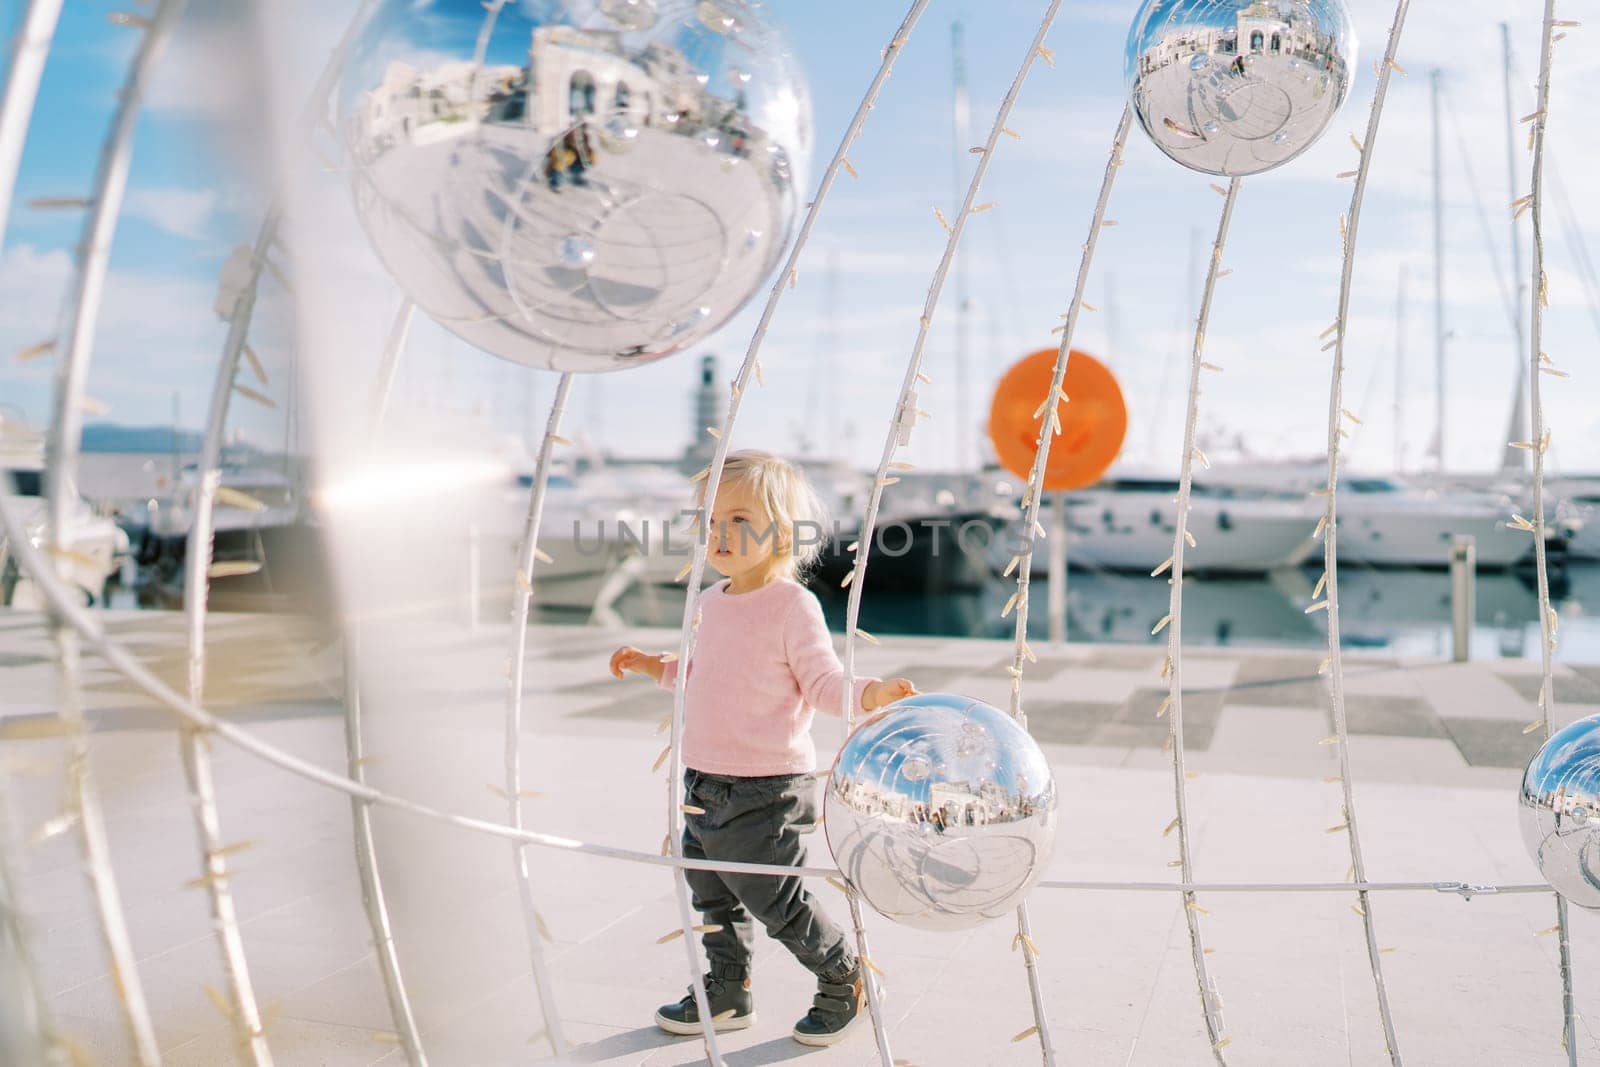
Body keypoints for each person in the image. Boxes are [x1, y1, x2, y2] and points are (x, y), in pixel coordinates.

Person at [610, 449, 917, 1047]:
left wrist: (871, 692)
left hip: (766, 786)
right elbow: (703, 671)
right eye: (711, 521)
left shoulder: (791, 606)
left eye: (740, 521)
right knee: (711, 890)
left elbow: (823, 685)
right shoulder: (711, 601)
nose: (720, 534)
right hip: (703, 778)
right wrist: (656, 665)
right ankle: (727, 991)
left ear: (782, 533)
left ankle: (843, 977)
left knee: (775, 896)